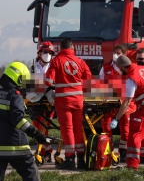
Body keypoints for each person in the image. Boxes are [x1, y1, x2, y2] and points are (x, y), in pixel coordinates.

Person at [0, 62, 59, 181]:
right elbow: (18, 120)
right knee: (29, 170)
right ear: (19, 79)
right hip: (15, 145)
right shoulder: (15, 96)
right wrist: (37, 135)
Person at [45, 37, 92, 170]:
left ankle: (70, 159)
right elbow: (88, 79)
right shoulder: (80, 61)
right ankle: (81, 159)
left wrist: (51, 92)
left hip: (63, 101)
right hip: (78, 101)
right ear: (72, 48)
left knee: (67, 129)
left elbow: (48, 81)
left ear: (61, 48)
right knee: (78, 128)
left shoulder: (56, 61)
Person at [100, 45, 134, 163]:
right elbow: (100, 83)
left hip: (124, 103)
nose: (116, 55)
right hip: (110, 102)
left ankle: (123, 151)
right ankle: (108, 151)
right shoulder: (105, 68)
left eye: (118, 53)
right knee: (107, 126)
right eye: (114, 52)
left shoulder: (128, 69)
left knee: (125, 129)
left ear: (124, 54)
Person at [26, 41, 56, 162]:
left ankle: (44, 153)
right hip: (35, 101)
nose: (47, 54)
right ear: (39, 53)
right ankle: (47, 150)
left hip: (49, 102)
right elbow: (28, 83)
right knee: (36, 127)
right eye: (45, 52)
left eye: (49, 52)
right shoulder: (33, 67)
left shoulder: (54, 66)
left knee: (44, 127)